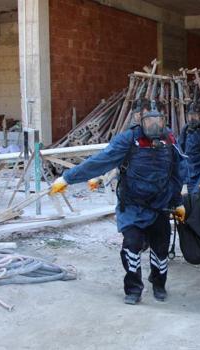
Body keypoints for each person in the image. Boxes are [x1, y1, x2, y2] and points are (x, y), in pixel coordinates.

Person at [50, 102, 185, 305]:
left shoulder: (169, 140)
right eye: (148, 119)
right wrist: (68, 178)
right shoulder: (128, 140)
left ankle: (159, 284)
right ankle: (133, 289)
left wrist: (177, 201)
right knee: (131, 246)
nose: (154, 125)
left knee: (161, 248)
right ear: (140, 120)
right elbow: (101, 160)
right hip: (132, 205)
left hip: (160, 204)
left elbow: (178, 170)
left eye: (158, 120)